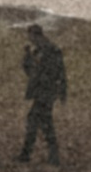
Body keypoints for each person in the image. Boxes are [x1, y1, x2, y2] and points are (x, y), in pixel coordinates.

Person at [19, 21, 66, 164]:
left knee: (39, 121)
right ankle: (33, 154)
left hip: (46, 91)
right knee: (41, 122)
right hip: (43, 91)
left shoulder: (49, 50)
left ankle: (30, 155)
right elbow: (30, 71)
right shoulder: (39, 50)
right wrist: (27, 56)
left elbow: (56, 72)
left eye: (30, 36)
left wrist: (61, 90)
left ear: (34, 35)